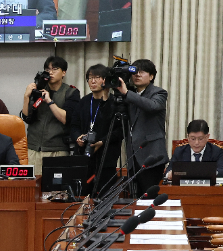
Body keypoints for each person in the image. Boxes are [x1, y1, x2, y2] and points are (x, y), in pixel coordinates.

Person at [21, 55, 80, 176]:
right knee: (33, 188)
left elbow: (65, 119)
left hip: (57, 150)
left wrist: (49, 101)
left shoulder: (71, 92)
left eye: (55, 69)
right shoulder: (38, 90)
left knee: (57, 189)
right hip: (34, 148)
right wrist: (26, 96)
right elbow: (27, 118)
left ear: (64, 72)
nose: (50, 73)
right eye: (47, 70)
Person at [115, 59, 168, 194]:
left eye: (142, 72)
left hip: (152, 155)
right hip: (133, 156)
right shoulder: (130, 93)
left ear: (151, 76)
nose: (137, 74)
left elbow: (152, 106)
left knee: (148, 197)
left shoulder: (159, 93)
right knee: (135, 198)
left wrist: (127, 93)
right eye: (134, 72)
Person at [69, 64, 123, 193]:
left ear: (105, 80)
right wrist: (78, 137)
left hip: (107, 157)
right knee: (83, 195)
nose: (92, 81)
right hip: (85, 157)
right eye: (90, 78)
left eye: (97, 77)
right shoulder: (84, 102)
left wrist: (102, 141)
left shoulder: (114, 103)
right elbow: (74, 126)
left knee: (105, 195)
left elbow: (119, 131)